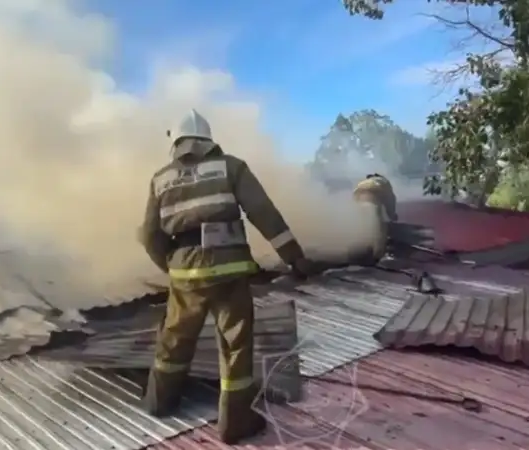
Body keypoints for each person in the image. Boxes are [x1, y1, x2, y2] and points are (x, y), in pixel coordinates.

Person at [139, 109, 314, 444]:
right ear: (208, 139)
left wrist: (171, 266)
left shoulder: (160, 179)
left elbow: (149, 235)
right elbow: (263, 213)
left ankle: (160, 402)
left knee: (174, 339)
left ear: (176, 142)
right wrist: (294, 257)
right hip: (230, 273)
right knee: (235, 346)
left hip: (185, 274)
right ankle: (235, 422)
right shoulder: (231, 167)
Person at [351, 173, 398, 263]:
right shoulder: (384, 182)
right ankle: (378, 254)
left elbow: (354, 199)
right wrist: (391, 214)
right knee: (380, 226)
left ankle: (358, 248)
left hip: (358, 192)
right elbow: (390, 200)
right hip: (375, 190)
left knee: (361, 222)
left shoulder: (363, 182)